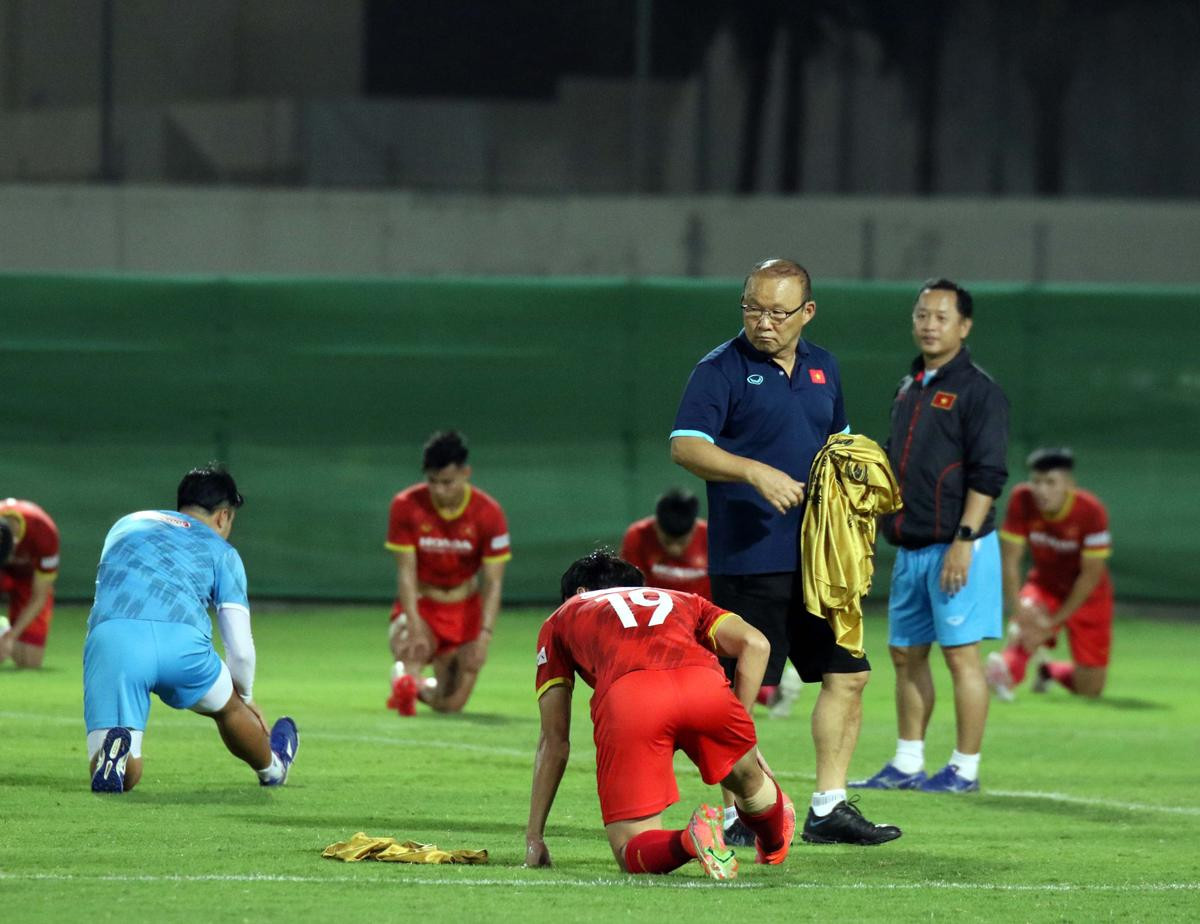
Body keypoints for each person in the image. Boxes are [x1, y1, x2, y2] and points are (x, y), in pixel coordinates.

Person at [670, 258, 900, 846]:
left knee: (848, 675)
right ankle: (737, 812)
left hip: (823, 559)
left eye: (777, 311)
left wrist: (858, 482)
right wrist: (753, 472)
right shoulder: (719, 368)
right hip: (752, 555)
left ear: (807, 312)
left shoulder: (825, 366)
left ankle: (828, 806)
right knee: (745, 688)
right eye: (752, 307)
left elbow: (838, 443)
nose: (763, 322)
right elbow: (686, 446)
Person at [524, 550, 798, 880]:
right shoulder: (683, 599)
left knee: (632, 847)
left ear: (579, 592)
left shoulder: (564, 615)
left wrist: (534, 837)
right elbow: (755, 644)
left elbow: (554, 742)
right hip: (706, 688)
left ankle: (690, 838)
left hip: (632, 700)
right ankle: (772, 846)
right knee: (751, 784)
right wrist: (742, 729)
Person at [854, 279, 1009, 795]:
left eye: (941, 316)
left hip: (957, 546)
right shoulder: (911, 385)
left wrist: (965, 540)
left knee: (961, 655)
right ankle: (907, 762)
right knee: (905, 654)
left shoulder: (979, 391)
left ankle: (964, 769)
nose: (929, 324)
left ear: (964, 326)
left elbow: (988, 475)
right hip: (912, 546)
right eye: (922, 314)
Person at [82, 465, 297, 793]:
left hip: (114, 641)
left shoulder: (126, 524)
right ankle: (273, 769)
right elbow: (239, 647)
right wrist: (246, 697)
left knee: (124, 777)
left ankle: (117, 758)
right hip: (182, 646)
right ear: (223, 517)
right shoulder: (222, 551)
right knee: (229, 708)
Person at [385, 430, 511, 715]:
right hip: (423, 604)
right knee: (410, 646)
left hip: (465, 611)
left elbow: (493, 582)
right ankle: (407, 671)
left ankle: (409, 684)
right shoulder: (406, 506)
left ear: (466, 473)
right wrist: (415, 625)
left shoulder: (488, 513)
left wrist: (483, 637)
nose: (439, 490)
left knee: (451, 704)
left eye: (447, 482)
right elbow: (406, 573)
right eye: (432, 482)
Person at [987, 448, 1113, 699]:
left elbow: (1089, 577)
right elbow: (1010, 560)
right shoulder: (1021, 499)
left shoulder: (1091, 511)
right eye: (1037, 482)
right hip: (1044, 585)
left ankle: (1049, 670)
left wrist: (1054, 622)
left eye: (1050, 482)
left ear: (1068, 484)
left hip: (1089, 595)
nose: (1041, 490)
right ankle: (1004, 673)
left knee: (1090, 690)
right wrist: (1018, 611)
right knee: (1025, 626)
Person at [0, 498, 61, 669]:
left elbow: (39, 597)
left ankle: (2, 630)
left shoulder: (44, 532)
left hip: (29, 579)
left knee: (29, 662)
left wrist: (10, 636)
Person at [620, 488, 711, 599]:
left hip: (702, 611)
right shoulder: (637, 536)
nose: (674, 549)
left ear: (694, 528)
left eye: (681, 542)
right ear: (656, 526)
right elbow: (629, 589)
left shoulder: (711, 536)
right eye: (668, 542)